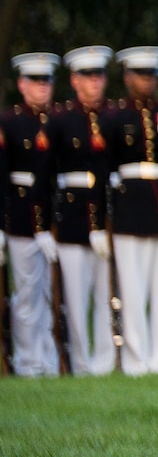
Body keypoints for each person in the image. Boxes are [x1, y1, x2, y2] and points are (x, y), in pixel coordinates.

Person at [100, 45, 158, 376]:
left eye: (152, 74)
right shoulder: (113, 118)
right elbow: (103, 173)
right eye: (141, 74)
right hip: (128, 212)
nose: (147, 80)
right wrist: (100, 224)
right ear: (127, 77)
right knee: (133, 292)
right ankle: (136, 362)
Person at [49, 45, 115, 376]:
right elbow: (48, 174)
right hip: (73, 216)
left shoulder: (113, 117)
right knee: (74, 298)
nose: (95, 82)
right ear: (75, 81)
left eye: (99, 75)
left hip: (107, 214)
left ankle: (104, 361)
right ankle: (78, 362)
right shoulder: (61, 121)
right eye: (88, 76)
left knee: (107, 293)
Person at [1, 52, 60, 377]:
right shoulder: (9, 123)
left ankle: (50, 360)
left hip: (56, 217)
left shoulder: (58, 121)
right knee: (26, 294)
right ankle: (26, 361)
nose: (42, 87)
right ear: (22, 85)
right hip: (21, 217)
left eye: (47, 81)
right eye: (35, 81)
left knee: (53, 296)